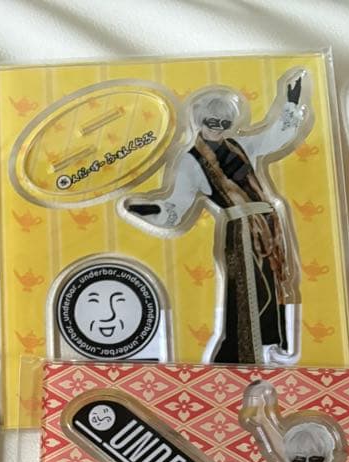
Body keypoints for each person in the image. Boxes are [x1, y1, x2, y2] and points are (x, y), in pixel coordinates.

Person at [123, 73, 307, 364]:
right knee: (249, 288)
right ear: (200, 120)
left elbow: (275, 137)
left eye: (224, 123)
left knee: (274, 282)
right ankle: (242, 353)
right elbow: (177, 205)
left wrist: (291, 103)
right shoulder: (190, 161)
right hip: (240, 229)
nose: (217, 128)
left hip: (267, 224)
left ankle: (271, 345)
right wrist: (150, 210)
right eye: (212, 122)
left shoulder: (241, 145)